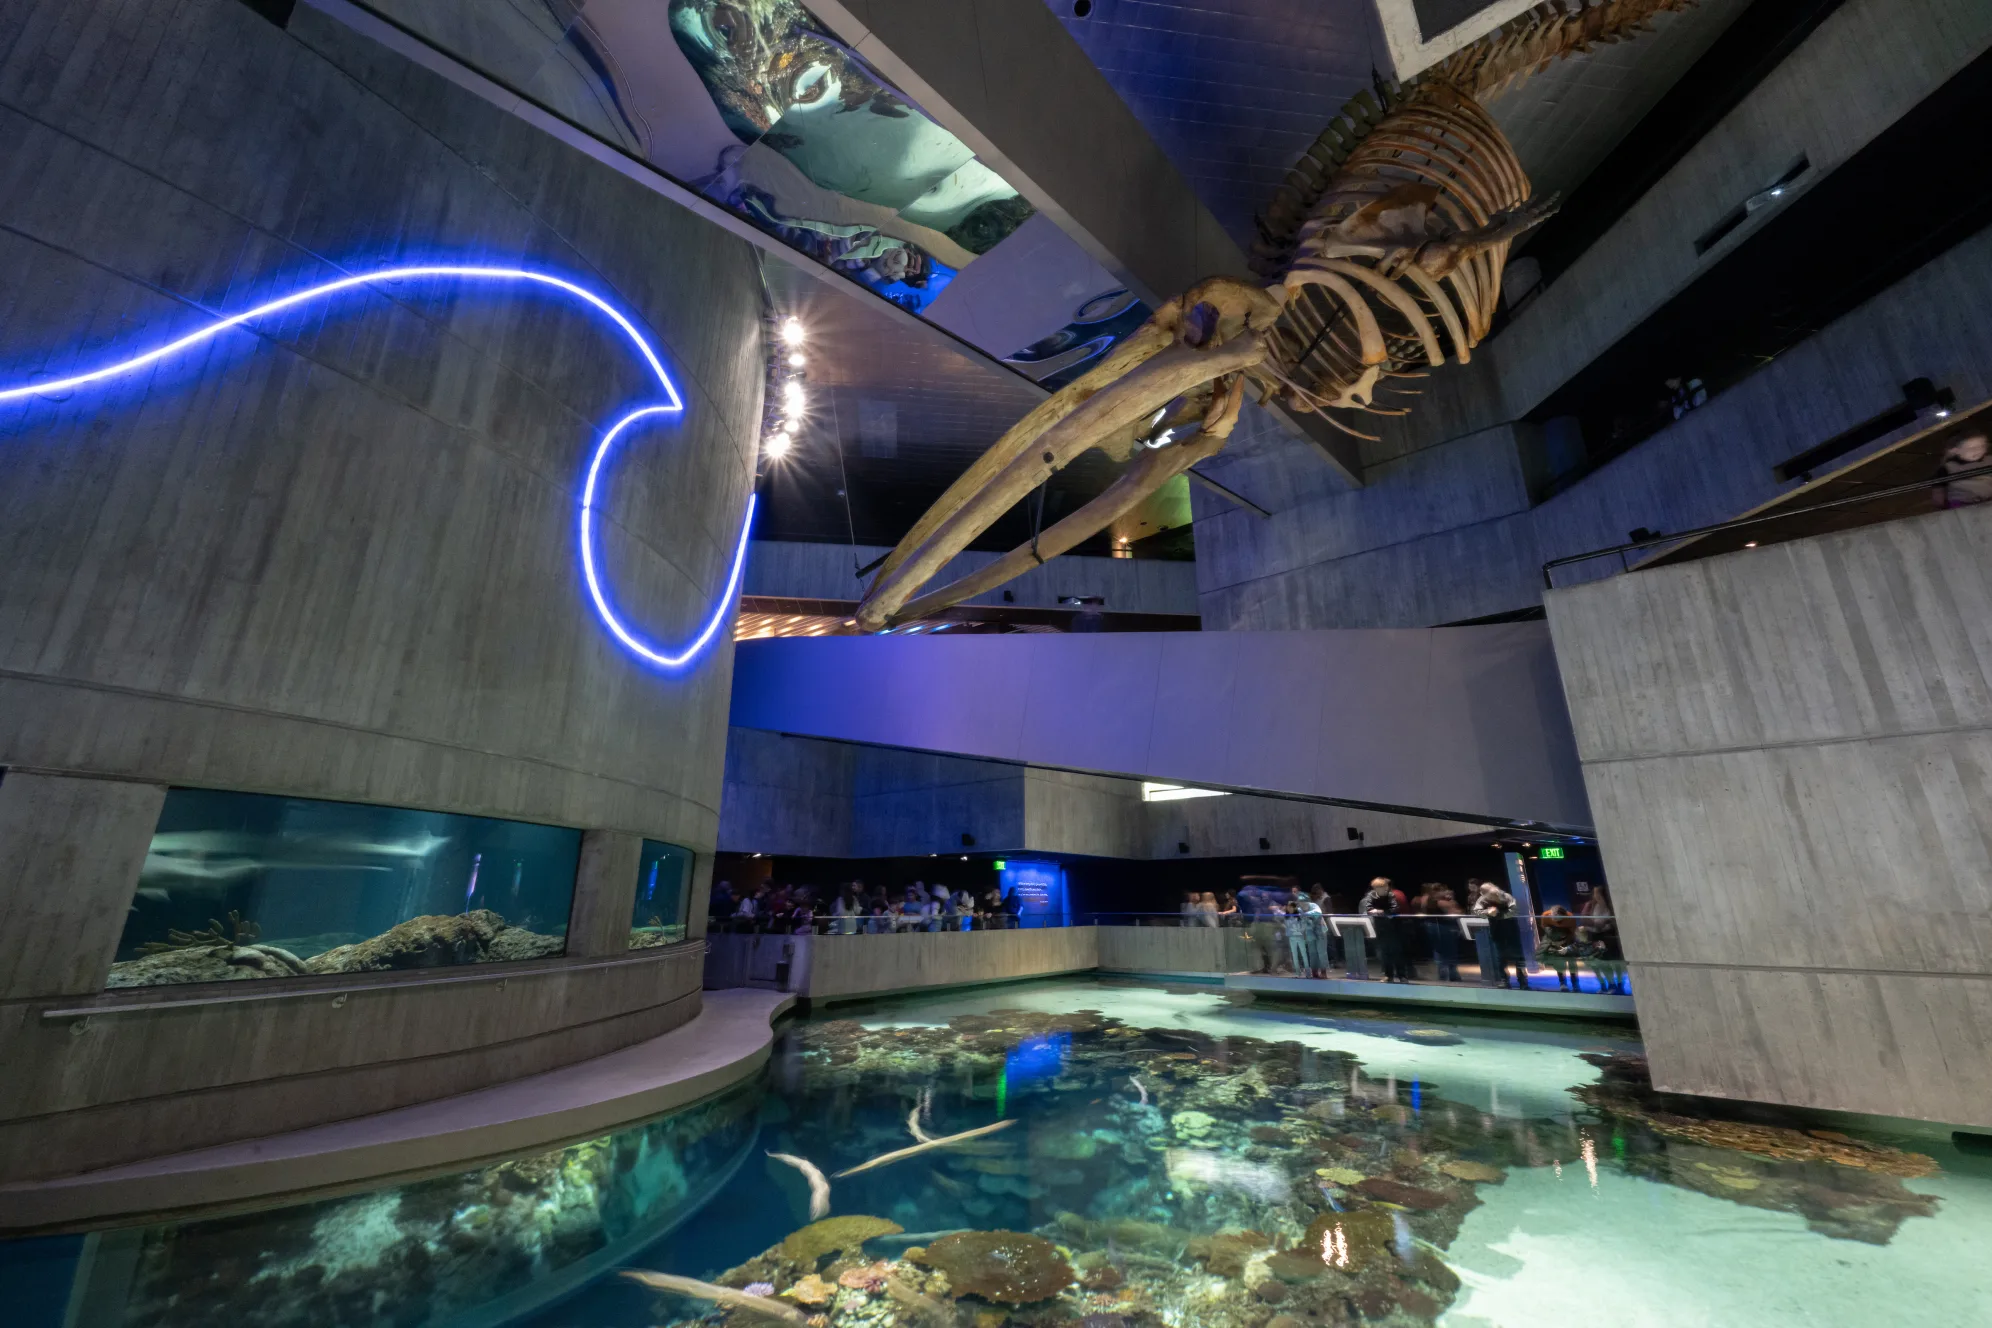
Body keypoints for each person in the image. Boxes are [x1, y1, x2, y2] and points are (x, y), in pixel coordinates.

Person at [1476, 881, 1525, 989]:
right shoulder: (1483, 899)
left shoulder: (1506, 896)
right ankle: (1504, 980)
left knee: (1519, 956)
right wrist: (1487, 912)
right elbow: (1477, 911)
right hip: (1496, 930)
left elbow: (1514, 911)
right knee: (1500, 957)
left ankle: (1523, 981)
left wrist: (1498, 915)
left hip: (1511, 929)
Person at [1359, 877, 1406, 982]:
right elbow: (1369, 909)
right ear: (1375, 888)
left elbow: (1394, 909)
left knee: (1397, 952)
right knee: (1384, 953)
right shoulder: (1371, 896)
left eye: (1385, 887)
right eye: (1381, 887)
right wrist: (1382, 912)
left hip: (1394, 927)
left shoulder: (1390, 895)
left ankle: (1402, 976)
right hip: (1380, 927)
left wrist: (1380, 911)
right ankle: (1388, 976)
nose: (1385, 889)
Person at [1583, 886, 1628, 993]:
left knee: (1614, 962)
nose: (1595, 896)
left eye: (1598, 893)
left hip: (1609, 937)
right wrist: (1595, 923)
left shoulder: (1611, 905)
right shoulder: (1590, 905)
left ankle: (1619, 984)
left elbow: (1606, 923)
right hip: (1595, 936)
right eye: (1595, 893)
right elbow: (1586, 921)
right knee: (1601, 963)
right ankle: (1611, 984)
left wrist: (1602, 923)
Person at [1937, 432, 1991, 507]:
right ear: (1956, 450)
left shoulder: (1990, 460)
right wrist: (1941, 505)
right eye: (1971, 448)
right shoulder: (1947, 468)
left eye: (1982, 446)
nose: (1978, 450)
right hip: (1962, 505)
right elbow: (1938, 493)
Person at [1537, 905, 1580, 990]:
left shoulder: (1570, 917)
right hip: (1554, 937)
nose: (1554, 919)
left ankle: (1575, 983)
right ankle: (1562, 983)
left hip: (1568, 936)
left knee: (1571, 962)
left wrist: (1567, 945)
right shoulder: (1545, 915)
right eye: (1553, 916)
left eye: (1557, 917)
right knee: (1559, 961)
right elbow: (1545, 927)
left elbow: (1573, 932)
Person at [1425, 885, 1463, 981]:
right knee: (1450, 950)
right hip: (1444, 927)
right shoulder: (1442, 902)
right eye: (1444, 890)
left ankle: (1443, 974)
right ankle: (1451, 974)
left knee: (1438, 950)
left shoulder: (1427, 900)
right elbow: (1457, 913)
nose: (1446, 892)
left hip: (1432, 926)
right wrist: (1452, 901)